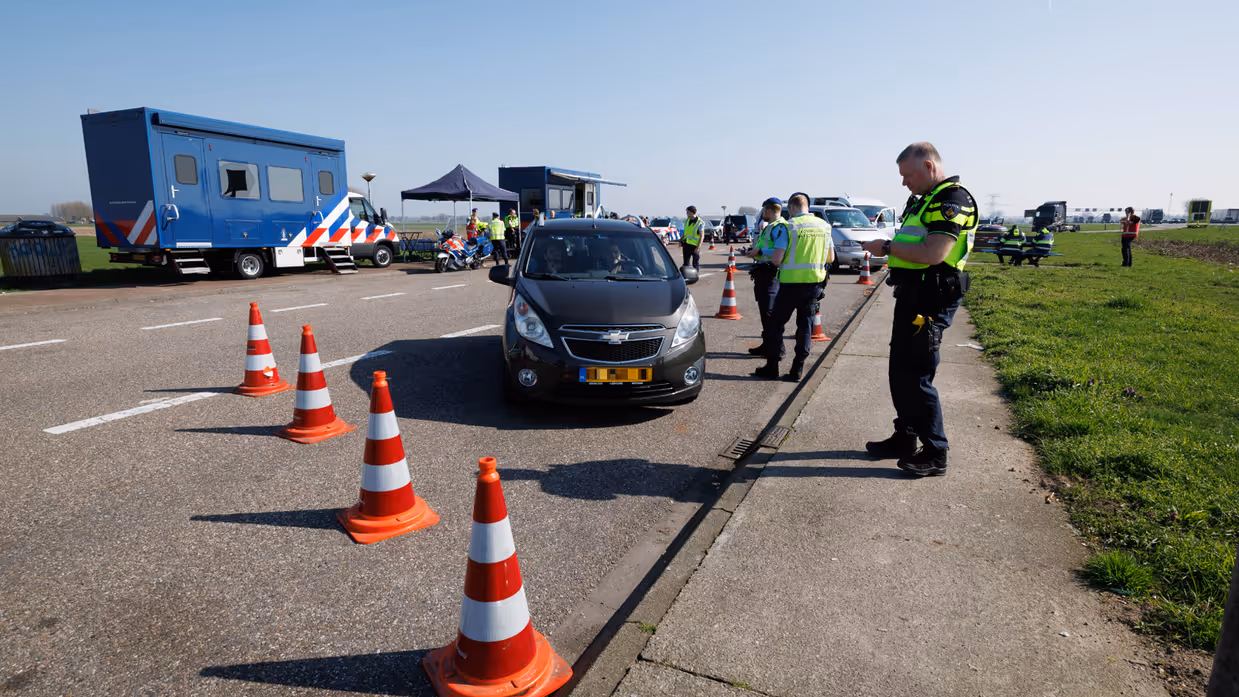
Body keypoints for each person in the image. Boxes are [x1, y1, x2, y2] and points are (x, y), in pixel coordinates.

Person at [860, 142, 978, 477]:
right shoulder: (924, 200)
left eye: (908, 175)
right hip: (913, 295)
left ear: (928, 167)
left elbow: (933, 253)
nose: (904, 183)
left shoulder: (951, 199)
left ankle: (935, 452)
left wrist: (886, 247)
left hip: (931, 298)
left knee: (917, 374)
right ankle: (905, 437)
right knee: (900, 371)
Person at [753, 193, 831, 382]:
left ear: (791, 207)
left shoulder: (788, 227)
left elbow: (776, 259)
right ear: (808, 207)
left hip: (790, 285)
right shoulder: (824, 226)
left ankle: (772, 366)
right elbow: (831, 258)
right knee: (805, 326)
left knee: (776, 324)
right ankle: (797, 368)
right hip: (814, 286)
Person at [747, 197, 789, 359]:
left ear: (769, 210)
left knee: (770, 313)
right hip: (763, 272)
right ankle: (767, 345)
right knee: (765, 311)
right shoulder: (770, 226)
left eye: (764, 210)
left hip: (770, 273)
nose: (763, 213)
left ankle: (778, 348)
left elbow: (780, 251)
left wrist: (760, 252)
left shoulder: (779, 227)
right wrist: (754, 251)